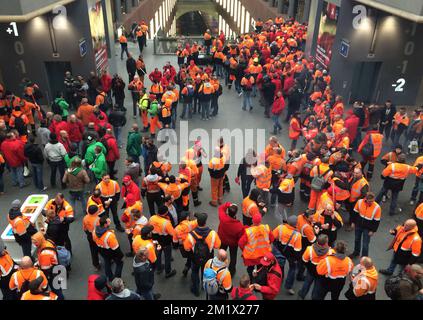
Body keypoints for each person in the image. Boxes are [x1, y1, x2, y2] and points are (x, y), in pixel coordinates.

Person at [184, 212, 221, 297]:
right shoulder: (212, 234)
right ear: (205, 222)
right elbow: (217, 245)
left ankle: (195, 289)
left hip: (195, 258)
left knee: (194, 272)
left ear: (197, 222)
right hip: (208, 258)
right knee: (205, 272)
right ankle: (204, 286)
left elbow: (186, 248)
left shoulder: (190, 235)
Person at [350, 192, 381, 258]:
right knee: (356, 240)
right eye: (370, 201)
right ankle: (356, 252)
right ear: (365, 199)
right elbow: (355, 213)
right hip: (358, 225)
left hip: (368, 228)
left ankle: (364, 258)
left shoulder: (377, 207)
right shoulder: (359, 202)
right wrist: (353, 222)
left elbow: (377, 221)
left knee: (365, 244)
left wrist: (372, 231)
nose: (371, 203)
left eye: (372, 201)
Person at [93, 216, 124, 281]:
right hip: (111, 251)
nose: (109, 223)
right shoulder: (109, 235)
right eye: (108, 222)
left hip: (102, 250)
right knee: (120, 263)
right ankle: (117, 279)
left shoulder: (94, 232)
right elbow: (116, 248)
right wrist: (121, 255)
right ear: (105, 224)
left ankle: (110, 277)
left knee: (107, 262)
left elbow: (94, 241)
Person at [149, 206, 177, 278]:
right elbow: (172, 233)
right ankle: (168, 272)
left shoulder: (152, 218)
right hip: (165, 242)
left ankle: (159, 268)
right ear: (166, 213)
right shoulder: (166, 223)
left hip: (155, 240)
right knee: (167, 256)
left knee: (158, 253)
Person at [217, 202, 244, 276]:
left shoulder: (223, 218)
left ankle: (218, 267)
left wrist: (228, 204)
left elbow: (221, 208)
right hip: (233, 243)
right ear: (235, 214)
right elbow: (241, 236)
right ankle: (231, 272)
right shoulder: (239, 226)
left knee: (221, 254)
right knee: (233, 257)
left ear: (228, 211)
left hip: (223, 240)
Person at [83, 205, 101, 271]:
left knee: (93, 250)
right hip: (97, 236)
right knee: (101, 248)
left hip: (89, 235)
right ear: (95, 212)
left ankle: (96, 265)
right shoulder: (98, 219)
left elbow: (84, 228)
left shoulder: (85, 217)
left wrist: (88, 234)